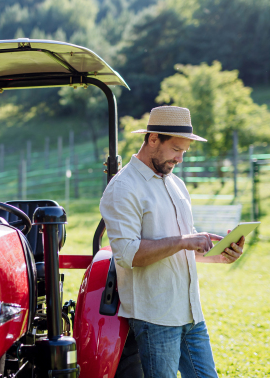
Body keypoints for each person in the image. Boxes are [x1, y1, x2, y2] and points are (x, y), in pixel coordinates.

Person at [99, 106, 245, 378]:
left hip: (190, 312)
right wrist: (184, 241)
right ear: (153, 139)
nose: (180, 158)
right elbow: (128, 255)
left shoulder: (176, 184)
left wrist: (219, 254)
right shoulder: (123, 188)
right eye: (176, 149)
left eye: (184, 152)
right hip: (156, 317)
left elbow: (182, 249)